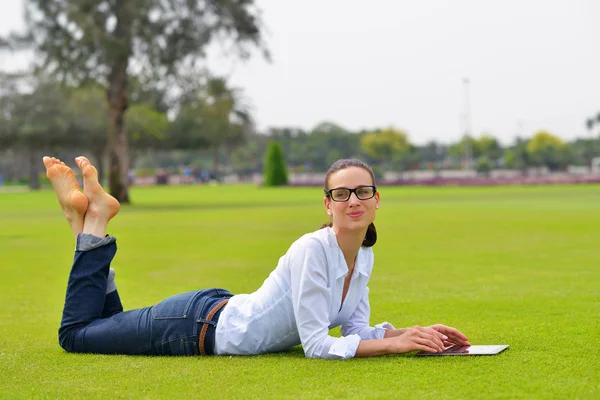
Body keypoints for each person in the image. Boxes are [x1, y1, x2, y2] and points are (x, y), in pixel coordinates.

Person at [44, 156, 470, 359]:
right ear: (328, 205)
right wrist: (395, 348)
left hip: (214, 313)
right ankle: (93, 218)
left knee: (101, 327)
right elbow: (318, 345)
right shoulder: (312, 249)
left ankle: (82, 221)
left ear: (377, 200)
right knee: (77, 335)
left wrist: (408, 333)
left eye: (362, 192)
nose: (352, 200)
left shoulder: (363, 256)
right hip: (194, 326)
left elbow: (355, 328)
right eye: (341, 193)